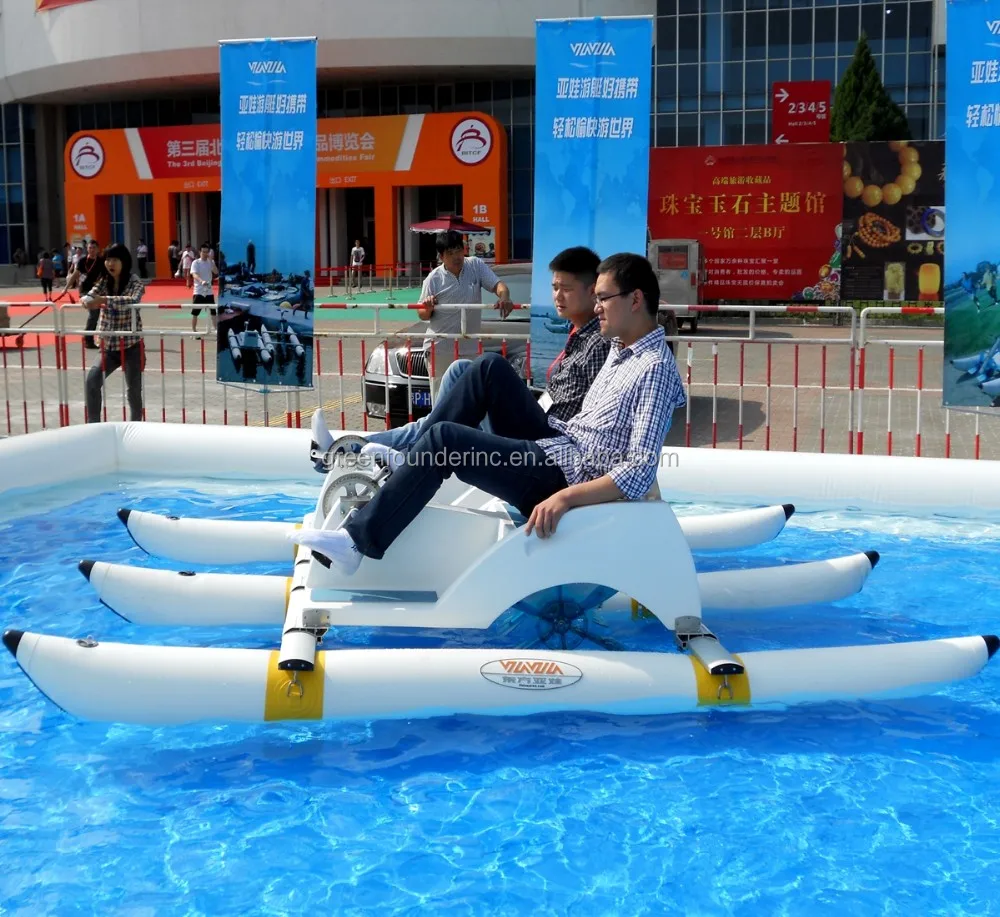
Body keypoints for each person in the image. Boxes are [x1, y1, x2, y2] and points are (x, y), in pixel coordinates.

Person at [292, 252, 687, 573]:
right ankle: (410, 463)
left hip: (562, 476)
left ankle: (357, 542)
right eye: (596, 298)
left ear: (635, 300)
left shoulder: (652, 367)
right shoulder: (620, 348)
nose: (597, 307)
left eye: (604, 298)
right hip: (557, 444)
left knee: (444, 440)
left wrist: (564, 499)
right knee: (487, 370)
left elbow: (638, 470)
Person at [354, 246, 610, 453]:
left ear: (592, 292)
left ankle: (382, 450)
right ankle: (358, 446)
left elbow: (581, 419)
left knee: (488, 367)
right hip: (536, 416)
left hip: (543, 437)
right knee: (458, 373)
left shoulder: (598, 343)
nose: (557, 296)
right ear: (442, 256)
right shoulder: (575, 334)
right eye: (555, 288)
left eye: (566, 289)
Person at [418, 229, 512, 363]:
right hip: (440, 350)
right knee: (444, 385)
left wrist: (504, 297)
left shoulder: (475, 265)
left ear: (464, 250)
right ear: (441, 256)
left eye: (458, 251)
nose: (456, 257)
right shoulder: (433, 279)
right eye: (450, 253)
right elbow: (422, 313)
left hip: (471, 349)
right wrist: (428, 307)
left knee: (471, 385)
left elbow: (498, 285)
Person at [81, 243, 146, 423]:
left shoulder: (135, 281)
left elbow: (132, 299)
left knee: (133, 391)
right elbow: (92, 295)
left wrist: (105, 300)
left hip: (131, 346)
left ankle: (135, 427)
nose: (110, 264)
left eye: (115, 260)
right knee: (92, 381)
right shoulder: (104, 281)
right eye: (108, 259)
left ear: (124, 262)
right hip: (108, 347)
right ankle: (93, 426)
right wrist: (86, 300)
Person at [65, 239, 107, 348]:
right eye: (89, 248)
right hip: (84, 290)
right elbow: (75, 274)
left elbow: (106, 276)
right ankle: (88, 339)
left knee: (101, 314)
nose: (91, 250)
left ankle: (104, 338)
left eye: (94, 248)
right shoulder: (82, 260)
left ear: (98, 249)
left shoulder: (102, 261)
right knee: (94, 314)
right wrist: (66, 288)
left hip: (98, 290)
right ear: (87, 249)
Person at [190, 242, 219, 332]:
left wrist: (211, 261)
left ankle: (217, 332)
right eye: (203, 252)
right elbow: (194, 274)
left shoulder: (211, 262)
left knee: (213, 312)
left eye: (207, 252)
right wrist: (201, 281)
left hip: (209, 291)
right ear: (200, 252)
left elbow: (216, 272)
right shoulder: (196, 262)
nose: (205, 254)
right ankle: (194, 332)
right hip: (199, 291)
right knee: (195, 313)